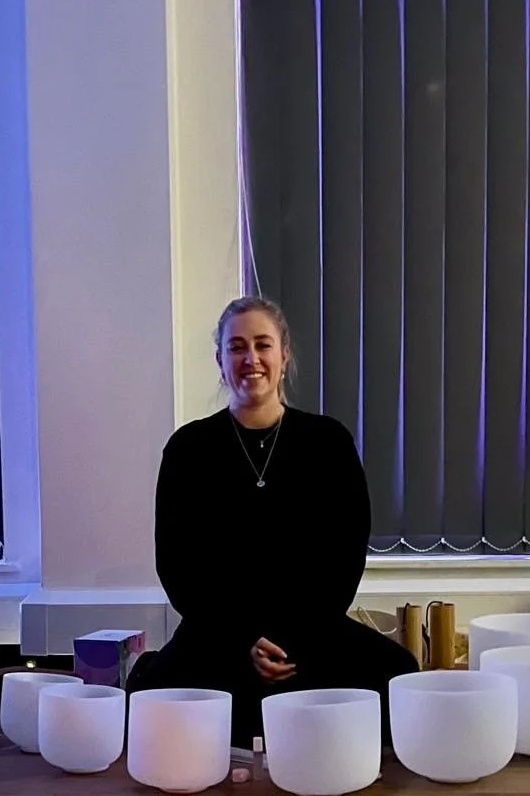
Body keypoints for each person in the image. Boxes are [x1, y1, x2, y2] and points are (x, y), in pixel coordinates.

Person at [127, 296, 417, 744]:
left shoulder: (328, 442)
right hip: (219, 633)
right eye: (236, 347)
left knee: (399, 675)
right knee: (149, 695)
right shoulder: (189, 448)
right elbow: (178, 566)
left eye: (263, 345)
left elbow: (343, 558)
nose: (251, 359)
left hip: (312, 630)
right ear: (220, 360)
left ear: (284, 355)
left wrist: (292, 638)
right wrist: (241, 640)